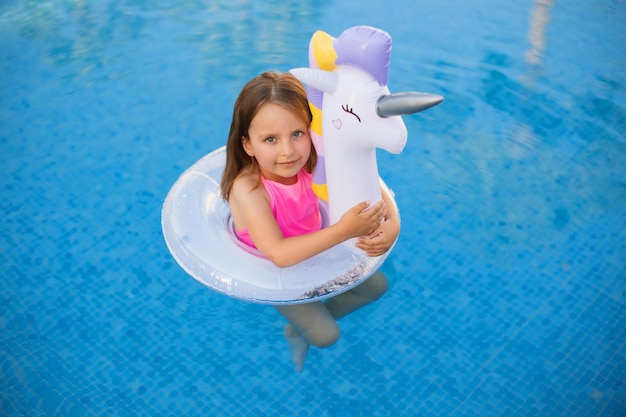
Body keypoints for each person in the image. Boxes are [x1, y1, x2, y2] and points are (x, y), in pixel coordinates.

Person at [221, 72, 400, 372]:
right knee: (328, 336)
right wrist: (343, 230)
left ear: (311, 129)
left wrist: (392, 224)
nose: (287, 151)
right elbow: (278, 254)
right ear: (247, 144)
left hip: (318, 250)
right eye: (270, 139)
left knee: (377, 286)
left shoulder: (317, 157)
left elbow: (374, 183)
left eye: (297, 133)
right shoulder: (248, 188)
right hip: (276, 273)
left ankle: (309, 320)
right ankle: (299, 328)